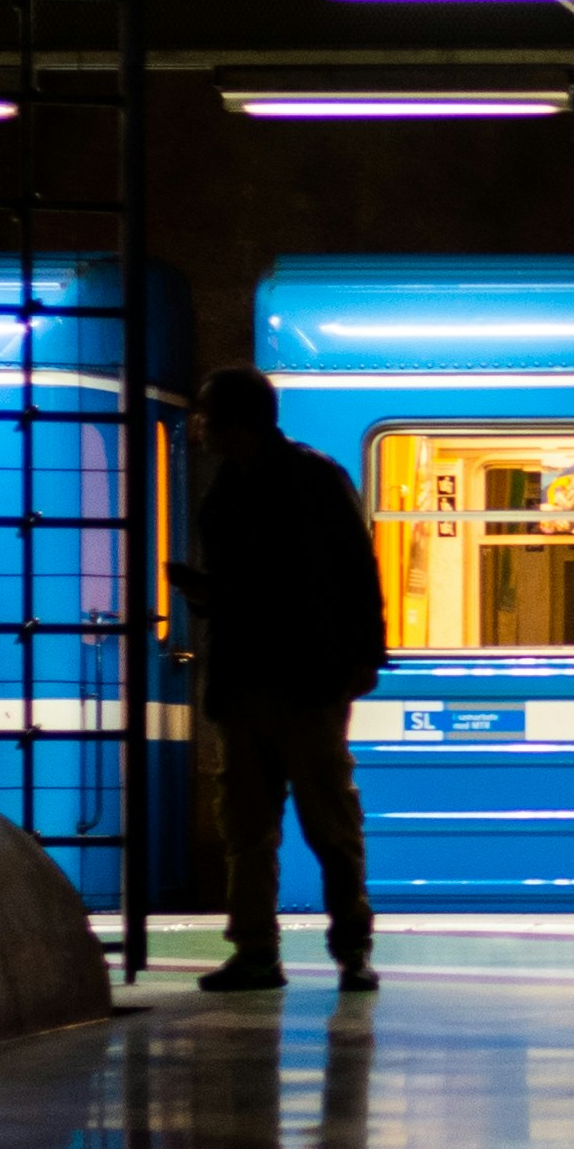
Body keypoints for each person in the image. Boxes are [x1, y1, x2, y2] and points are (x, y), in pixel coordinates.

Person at [177, 367, 385, 994]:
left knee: (295, 826)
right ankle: (277, 951)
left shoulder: (289, 482)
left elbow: (349, 575)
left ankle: (327, 950)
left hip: (295, 682)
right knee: (277, 826)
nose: (200, 429)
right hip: (267, 682)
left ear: (235, 421)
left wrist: (359, 662)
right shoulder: (277, 482)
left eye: (208, 416)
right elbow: (356, 572)